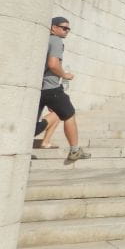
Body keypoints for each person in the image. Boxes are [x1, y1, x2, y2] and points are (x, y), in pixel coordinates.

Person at [36, 17, 91, 162]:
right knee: (69, 113)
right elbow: (53, 64)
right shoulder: (55, 41)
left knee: (34, 128)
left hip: (39, 88)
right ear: (53, 27)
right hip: (51, 87)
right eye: (63, 27)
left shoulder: (44, 40)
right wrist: (64, 75)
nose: (66, 31)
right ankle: (74, 150)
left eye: (68, 29)